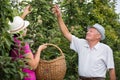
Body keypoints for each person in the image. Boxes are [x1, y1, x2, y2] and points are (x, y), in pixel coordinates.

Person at [52, 5, 116, 80]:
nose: (88, 32)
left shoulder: (105, 49)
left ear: (98, 36)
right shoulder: (81, 43)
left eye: (91, 31)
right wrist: (59, 16)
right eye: (88, 31)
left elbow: (111, 69)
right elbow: (66, 33)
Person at [9, 5, 47, 80]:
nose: (26, 29)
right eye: (25, 28)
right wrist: (39, 49)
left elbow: (15, 27)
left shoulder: (11, 40)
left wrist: (24, 13)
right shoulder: (23, 44)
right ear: (21, 30)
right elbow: (33, 66)